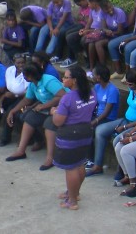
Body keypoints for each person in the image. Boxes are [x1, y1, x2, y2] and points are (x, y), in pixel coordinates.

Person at [51, 65, 97, 210]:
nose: (63, 79)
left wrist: (54, 112)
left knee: (71, 168)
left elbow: (58, 121)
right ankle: (74, 193)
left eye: (66, 77)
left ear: (74, 80)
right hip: (86, 131)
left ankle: (71, 201)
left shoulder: (68, 98)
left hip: (70, 135)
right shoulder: (91, 93)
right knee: (80, 163)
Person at [5, 61, 67, 168]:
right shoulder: (33, 84)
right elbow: (27, 100)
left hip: (62, 108)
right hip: (48, 109)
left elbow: (62, 96)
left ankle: (50, 157)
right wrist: (12, 111)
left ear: (30, 75)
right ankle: (21, 151)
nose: (23, 77)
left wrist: (44, 106)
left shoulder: (48, 81)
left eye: (24, 75)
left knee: (49, 124)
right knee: (29, 118)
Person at [0, 53, 30, 146]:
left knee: (10, 112)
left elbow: (28, 93)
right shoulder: (10, 70)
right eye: (18, 63)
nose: (21, 65)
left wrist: (15, 95)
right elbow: (7, 87)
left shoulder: (27, 73)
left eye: (23, 62)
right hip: (10, 95)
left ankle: (5, 138)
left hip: (22, 98)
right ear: (14, 63)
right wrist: (2, 99)